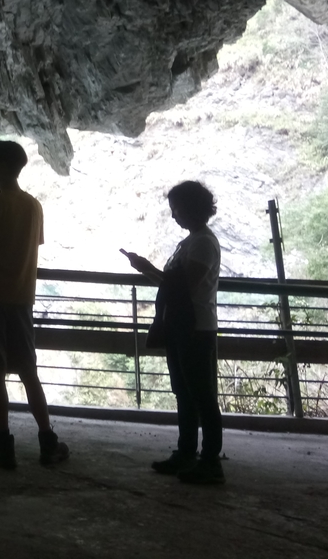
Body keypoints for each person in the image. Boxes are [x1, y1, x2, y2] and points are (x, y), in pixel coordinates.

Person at [0, 140, 69, 469]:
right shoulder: (34, 206)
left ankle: (4, 443)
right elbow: (31, 244)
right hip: (22, 298)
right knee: (28, 371)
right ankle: (47, 439)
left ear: (2, 167)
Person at [122, 180, 225, 485]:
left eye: (176, 209)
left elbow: (183, 285)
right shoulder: (192, 241)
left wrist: (147, 268)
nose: (173, 216)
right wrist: (146, 269)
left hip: (194, 326)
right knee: (185, 393)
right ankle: (187, 452)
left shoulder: (203, 243)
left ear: (189, 208)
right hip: (183, 325)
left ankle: (209, 460)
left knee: (201, 396)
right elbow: (176, 284)